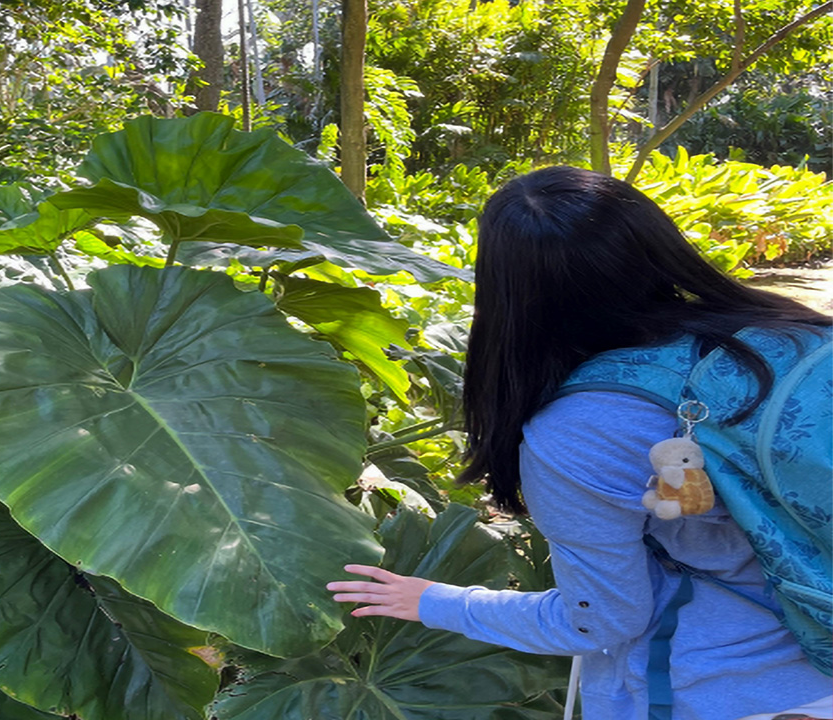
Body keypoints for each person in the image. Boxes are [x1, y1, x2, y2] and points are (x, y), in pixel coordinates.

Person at [326, 166, 832, 720]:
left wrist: (434, 602)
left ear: (505, 290)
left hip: (723, 690)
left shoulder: (582, 431)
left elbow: (601, 620)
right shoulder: (786, 333)